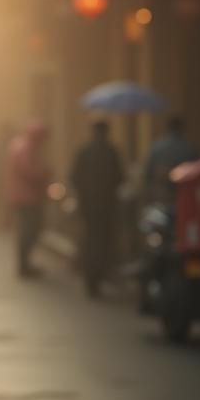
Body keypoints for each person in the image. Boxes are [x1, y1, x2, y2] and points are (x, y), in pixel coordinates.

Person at [70, 120, 124, 296]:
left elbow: (73, 176)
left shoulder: (84, 151)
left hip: (87, 205)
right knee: (103, 240)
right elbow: (120, 177)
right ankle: (98, 277)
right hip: (107, 206)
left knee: (88, 238)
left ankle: (90, 279)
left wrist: (81, 194)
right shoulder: (111, 152)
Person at [4, 122, 51, 277]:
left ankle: (25, 264)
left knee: (28, 230)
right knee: (29, 231)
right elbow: (27, 170)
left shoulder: (19, 145)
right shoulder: (25, 148)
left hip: (23, 196)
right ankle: (24, 265)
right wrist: (43, 174)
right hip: (27, 197)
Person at [143, 116, 199, 205]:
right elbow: (196, 173)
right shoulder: (189, 148)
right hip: (183, 195)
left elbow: (148, 174)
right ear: (181, 129)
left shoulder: (157, 148)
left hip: (161, 195)